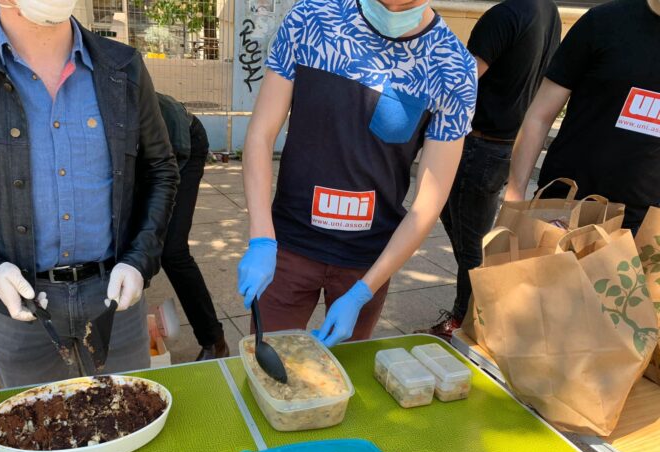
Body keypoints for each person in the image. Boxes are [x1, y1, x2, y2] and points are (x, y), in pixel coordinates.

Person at [0, 0, 178, 386]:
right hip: (18, 308)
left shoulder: (123, 67)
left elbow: (160, 168)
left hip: (114, 299)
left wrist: (139, 257)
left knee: (128, 423)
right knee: (40, 434)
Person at [237, 0, 477, 347]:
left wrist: (363, 291)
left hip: (367, 262)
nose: (394, 6)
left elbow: (430, 201)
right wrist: (261, 237)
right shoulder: (311, 20)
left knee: (345, 375)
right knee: (266, 364)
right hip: (286, 247)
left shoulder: (452, 67)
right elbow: (260, 135)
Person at [419, 0, 561, 340]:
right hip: (502, 144)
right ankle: (481, 306)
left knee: (471, 246)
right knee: (465, 233)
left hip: (478, 146)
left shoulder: (503, 16)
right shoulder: (548, 11)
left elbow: (461, 83)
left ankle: (465, 321)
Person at [506, 0, 660, 233]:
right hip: (563, 211)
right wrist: (514, 199)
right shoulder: (603, 22)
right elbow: (539, 116)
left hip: (644, 228)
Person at [157, 93, 229, 361]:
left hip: (183, 142)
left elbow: (157, 177)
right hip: (152, 148)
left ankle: (215, 341)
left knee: (171, 251)